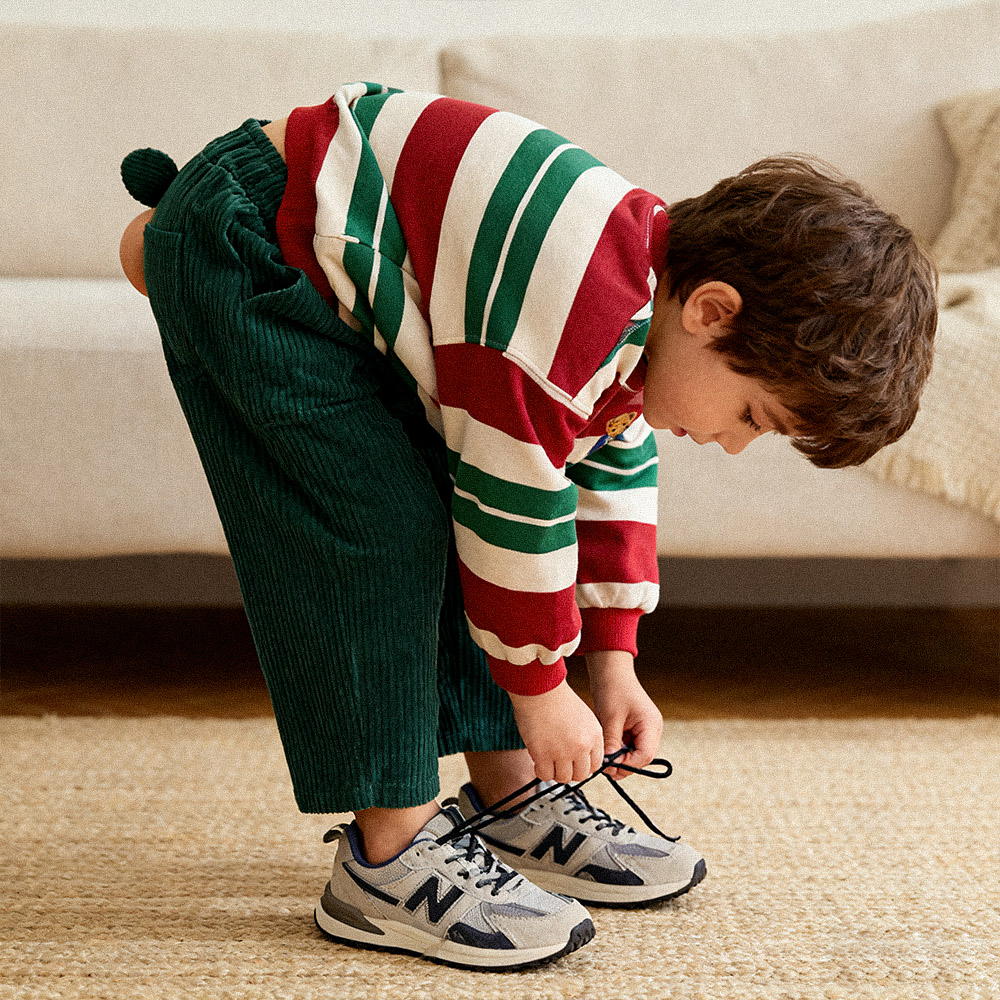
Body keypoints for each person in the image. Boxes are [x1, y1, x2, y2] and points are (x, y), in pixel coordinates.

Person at [119, 82, 937, 971]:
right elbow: (517, 509)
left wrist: (611, 659)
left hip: (324, 252)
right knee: (380, 531)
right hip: (250, 241)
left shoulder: (641, 305)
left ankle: (508, 795)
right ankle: (386, 857)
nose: (735, 446)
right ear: (711, 311)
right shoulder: (571, 316)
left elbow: (609, 468)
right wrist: (543, 689)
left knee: (458, 504)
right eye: (753, 415)